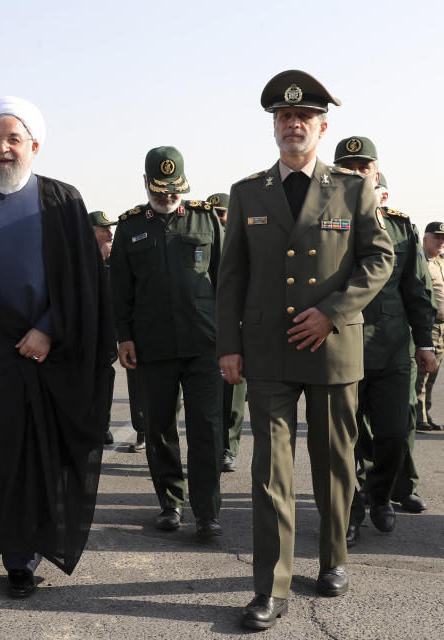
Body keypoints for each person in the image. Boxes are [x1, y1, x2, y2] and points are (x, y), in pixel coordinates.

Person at [216, 70, 393, 630]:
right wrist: (228, 346)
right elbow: (232, 276)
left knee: (334, 464)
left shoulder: (353, 187)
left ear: (322, 126)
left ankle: (334, 558)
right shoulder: (247, 192)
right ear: (274, 126)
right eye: (283, 118)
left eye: (303, 118)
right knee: (270, 473)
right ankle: (271, 586)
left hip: (332, 348)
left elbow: (379, 259)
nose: (293, 125)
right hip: (267, 349)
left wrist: (334, 312)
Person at [0, 96, 115, 599]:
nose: (2, 149)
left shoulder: (63, 201)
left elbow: (84, 282)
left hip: (40, 355)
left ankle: (20, 559)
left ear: (35, 145)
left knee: (29, 461)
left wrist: (49, 329)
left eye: (13, 139)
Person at [111, 147, 224, 538]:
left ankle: (208, 511)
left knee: (206, 430)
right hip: (152, 346)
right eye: (159, 191)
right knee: (159, 429)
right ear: (146, 184)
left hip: (204, 344)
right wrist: (123, 336)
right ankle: (170, 503)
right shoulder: (128, 227)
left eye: (173, 189)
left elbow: (227, 279)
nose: (167, 197)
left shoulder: (206, 218)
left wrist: (233, 337)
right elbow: (120, 290)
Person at [330, 138, 436, 547]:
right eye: (348, 166)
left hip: (392, 351)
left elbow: (416, 291)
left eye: (364, 166)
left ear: (376, 173)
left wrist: (424, 343)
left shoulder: (400, 226)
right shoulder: (325, 222)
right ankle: (352, 511)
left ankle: (381, 495)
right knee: (346, 440)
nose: (357, 173)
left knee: (394, 433)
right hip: (342, 349)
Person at [207, 191, 246, 473]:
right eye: (215, 214)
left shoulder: (246, 242)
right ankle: (208, 445)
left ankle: (227, 448)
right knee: (207, 395)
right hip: (205, 328)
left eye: (224, 213)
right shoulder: (200, 241)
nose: (221, 219)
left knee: (233, 392)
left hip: (236, 328)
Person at [90, 210, 117, 446]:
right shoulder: (80, 259)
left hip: (107, 333)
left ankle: (103, 425)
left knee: (105, 377)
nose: (110, 233)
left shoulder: (114, 259)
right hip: (85, 332)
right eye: (104, 229)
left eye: (110, 228)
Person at [416, 221, 444, 432]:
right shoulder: (419, 261)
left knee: (433, 375)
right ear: (425, 239)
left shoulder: (441, 262)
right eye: (437, 238)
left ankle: (426, 413)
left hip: (443, 328)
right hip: (429, 325)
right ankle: (418, 417)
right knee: (423, 373)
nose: (441, 242)